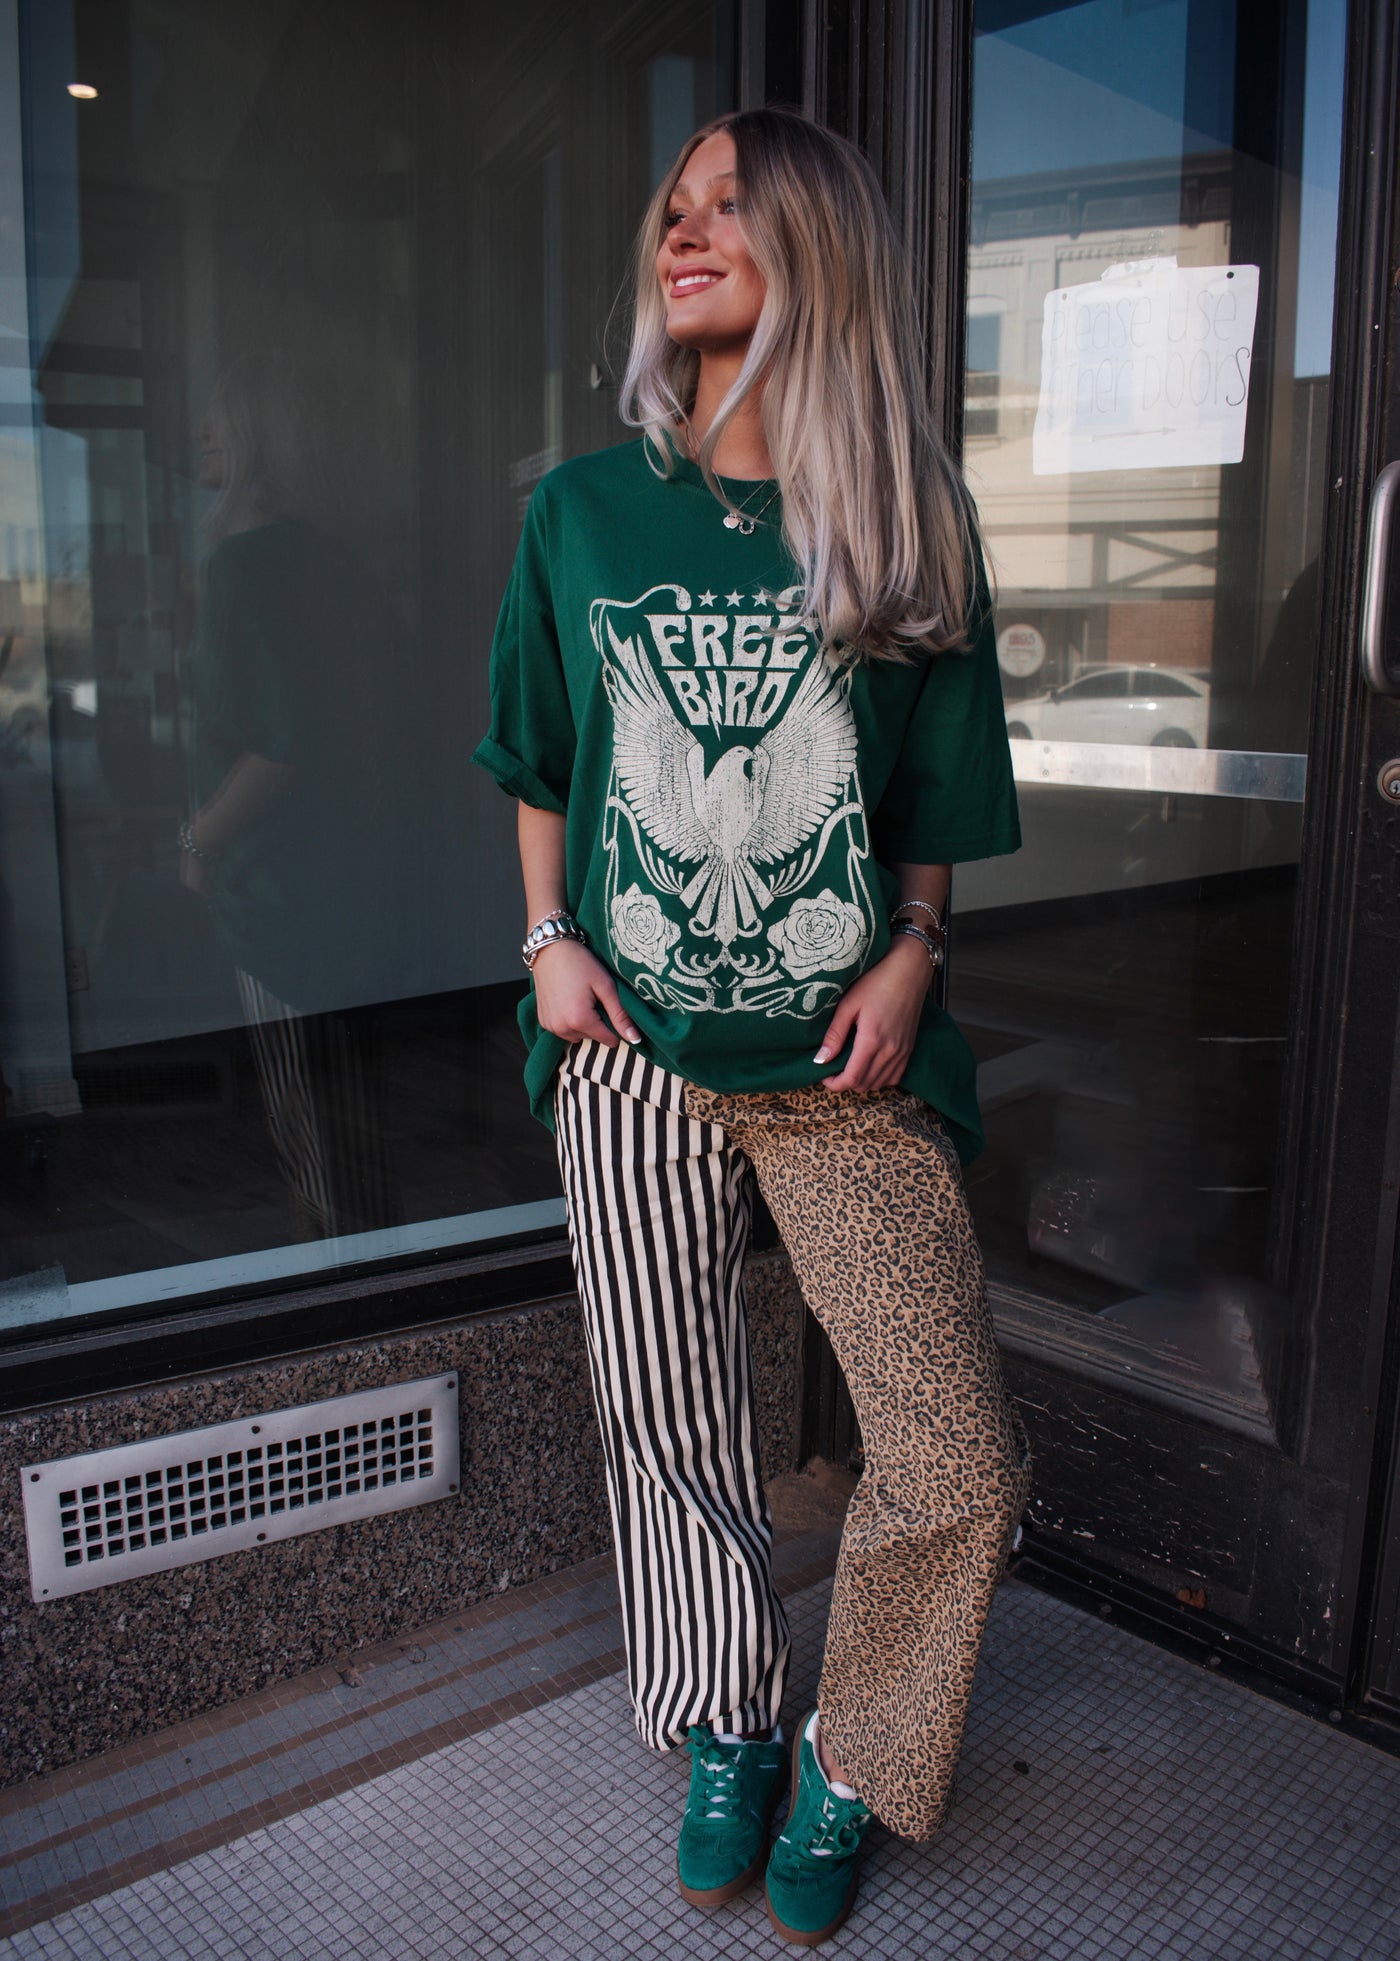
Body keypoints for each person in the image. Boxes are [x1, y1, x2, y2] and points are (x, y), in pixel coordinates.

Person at [474, 107, 1031, 1948]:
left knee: (950, 1449)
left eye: (732, 206)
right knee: (673, 1419)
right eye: (677, 207)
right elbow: (540, 756)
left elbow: (933, 803)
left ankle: (855, 1752)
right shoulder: (581, 511)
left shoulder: (909, 519)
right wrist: (550, 941)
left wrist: (915, 951)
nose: (685, 230)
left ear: (819, 248)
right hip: (628, 1051)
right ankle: (728, 1718)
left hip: (844, 1070)